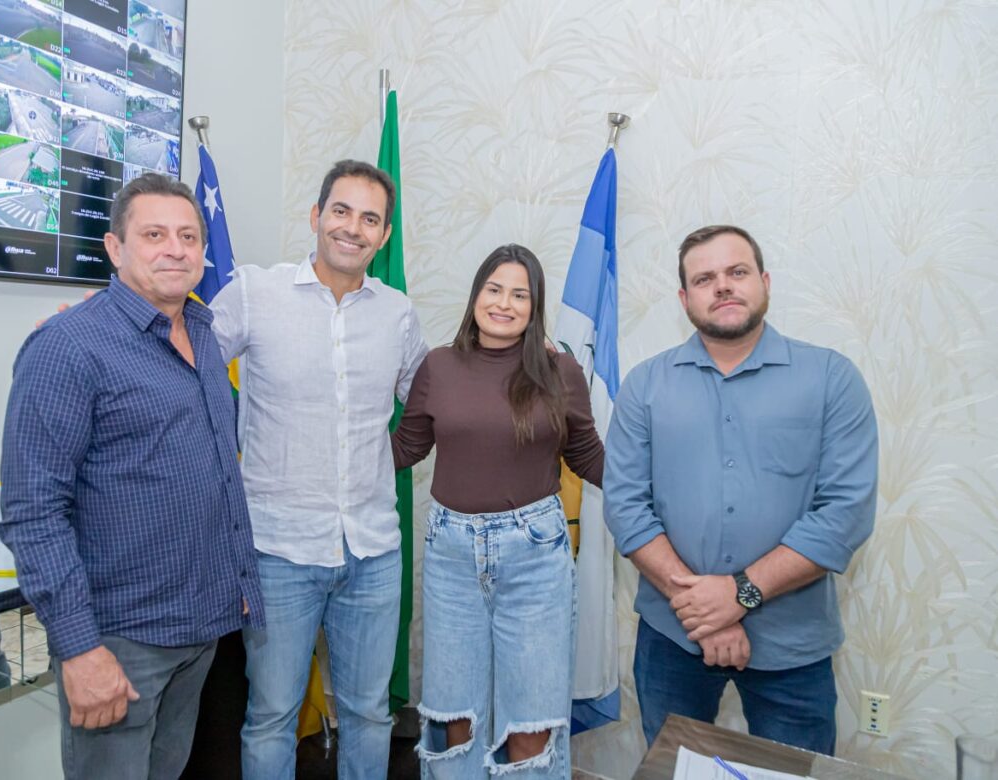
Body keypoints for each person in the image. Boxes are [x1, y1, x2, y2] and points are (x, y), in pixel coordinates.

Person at [0, 172, 263, 780]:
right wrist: (80, 648)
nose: (176, 249)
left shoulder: (203, 333)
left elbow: (216, 473)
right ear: (115, 248)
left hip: (199, 628)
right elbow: (34, 511)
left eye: (189, 236)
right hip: (120, 641)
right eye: (154, 235)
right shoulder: (68, 346)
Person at [602, 225, 878, 753]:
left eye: (737, 272)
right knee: (670, 770)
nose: (723, 286)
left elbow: (844, 513)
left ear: (764, 283)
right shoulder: (645, 386)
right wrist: (703, 611)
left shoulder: (831, 379)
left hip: (793, 646)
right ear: (684, 298)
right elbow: (625, 506)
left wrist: (739, 595)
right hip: (673, 638)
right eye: (704, 278)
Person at [210, 159, 428, 779]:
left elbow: (436, 401)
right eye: (341, 211)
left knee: (369, 715)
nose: (353, 228)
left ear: (384, 235)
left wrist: (528, 366)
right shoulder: (255, 293)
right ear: (316, 215)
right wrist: (100, 325)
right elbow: (180, 362)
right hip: (278, 552)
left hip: (373, 554)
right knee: (271, 717)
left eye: (370, 219)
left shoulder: (397, 313)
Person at [390, 244, 604, 778]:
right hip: (451, 557)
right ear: (476, 295)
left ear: (535, 307)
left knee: (529, 726)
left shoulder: (560, 371)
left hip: (535, 557)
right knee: (454, 719)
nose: (504, 303)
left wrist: (658, 487)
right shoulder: (438, 366)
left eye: (519, 295)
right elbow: (405, 448)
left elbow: (587, 457)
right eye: (494, 289)